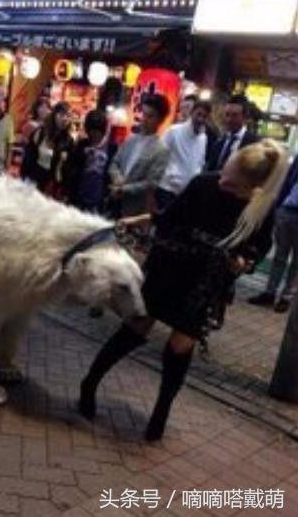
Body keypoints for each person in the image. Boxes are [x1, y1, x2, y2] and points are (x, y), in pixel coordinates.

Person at [78, 140, 289, 441]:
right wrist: (141, 220)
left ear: (252, 187)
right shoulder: (204, 183)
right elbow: (170, 218)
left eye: (231, 183)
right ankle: (90, 382)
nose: (221, 181)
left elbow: (257, 249)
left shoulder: (261, 208)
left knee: (180, 346)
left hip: (204, 284)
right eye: (224, 172)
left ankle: (161, 412)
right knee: (136, 326)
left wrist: (243, 262)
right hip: (170, 267)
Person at [249, 154, 298, 313]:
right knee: (279, 255)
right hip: (288, 210)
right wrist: (278, 206)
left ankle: (286, 297)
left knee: (296, 261)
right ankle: (269, 293)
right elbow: (287, 180)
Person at [107, 93, 170, 217]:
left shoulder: (161, 149)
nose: (144, 119)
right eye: (143, 114)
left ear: (160, 120)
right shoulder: (131, 139)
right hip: (114, 199)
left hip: (134, 208)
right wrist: (117, 179)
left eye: (150, 116)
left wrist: (123, 189)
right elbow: (115, 163)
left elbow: (151, 183)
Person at [155, 100, 211, 211]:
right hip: (167, 188)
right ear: (192, 113)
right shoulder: (174, 131)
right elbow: (158, 156)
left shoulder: (203, 138)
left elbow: (200, 162)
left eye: (204, 116)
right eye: (198, 114)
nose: (200, 119)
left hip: (187, 192)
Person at [21, 101, 74, 196]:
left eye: (68, 116)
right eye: (62, 114)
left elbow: (68, 169)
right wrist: (24, 179)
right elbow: (28, 157)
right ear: (54, 115)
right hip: (34, 181)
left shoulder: (68, 141)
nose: (65, 119)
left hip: (52, 186)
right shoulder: (41, 133)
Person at [63, 109, 110, 213]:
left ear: (102, 131)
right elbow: (70, 167)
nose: (94, 135)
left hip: (98, 200)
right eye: (91, 132)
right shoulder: (81, 145)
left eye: (97, 132)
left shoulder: (111, 148)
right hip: (78, 197)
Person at [206, 95, 259, 171]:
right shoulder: (219, 142)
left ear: (244, 117)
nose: (229, 119)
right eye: (227, 115)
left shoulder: (254, 144)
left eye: (235, 115)